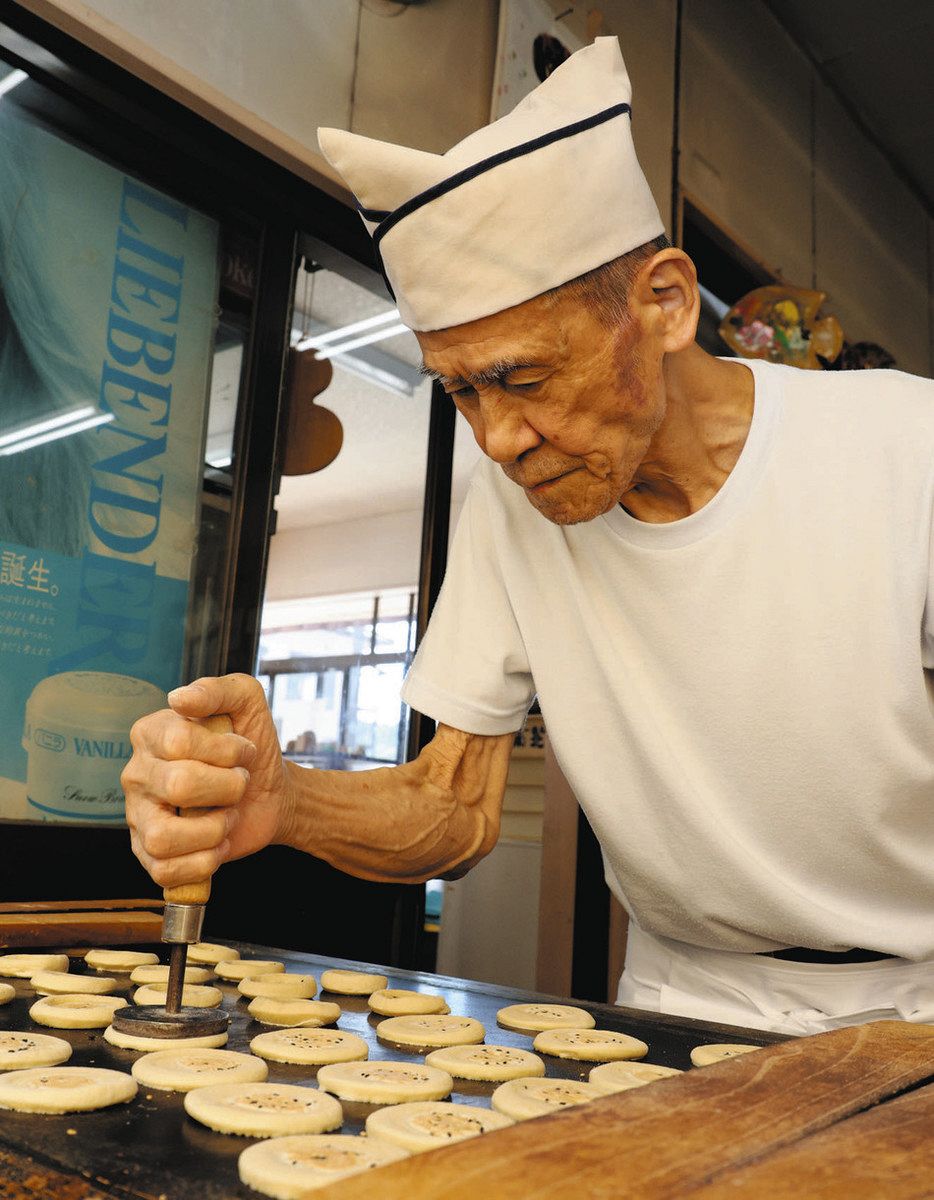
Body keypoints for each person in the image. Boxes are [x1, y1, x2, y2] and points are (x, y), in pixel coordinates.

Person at [122, 38, 934, 1035]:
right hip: (680, 997)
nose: (498, 440)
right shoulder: (513, 505)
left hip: (914, 1000)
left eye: (524, 377)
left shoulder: (907, 451)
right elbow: (456, 810)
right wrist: (283, 801)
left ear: (665, 305)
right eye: (461, 391)